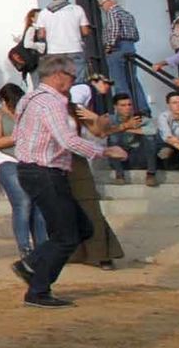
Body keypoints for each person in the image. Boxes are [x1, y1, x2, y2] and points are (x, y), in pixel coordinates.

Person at [10, 54, 109, 308]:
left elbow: (19, 133)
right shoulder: (51, 103)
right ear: (57, 75)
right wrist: (104, 150)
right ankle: (38, 289)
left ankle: (32, 266)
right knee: (66, 235)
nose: (73, 81)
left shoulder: (29, 97)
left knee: (80, 229)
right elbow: (67, 141)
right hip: (44, 170)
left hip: (36, 169)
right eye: (71, 76)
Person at [0, 83, 46, 261]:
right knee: (23, 202)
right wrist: (21, 135)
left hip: (30, 160)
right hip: (8, 160)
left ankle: (42, 246)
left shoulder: (27, 114)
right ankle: (25, 247)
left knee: (38, 204)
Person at [97, 0, 147, 114]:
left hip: (118, 48)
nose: (102, 8)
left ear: (108, 2)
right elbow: (136, 35)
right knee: (133, 80)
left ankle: (126, 111)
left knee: (119, 81)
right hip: (130, 47)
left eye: (101, 4)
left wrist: (109, 46)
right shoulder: (127, 14)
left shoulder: (112, 12)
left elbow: (114, 29)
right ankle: (142, 108)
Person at [36, 0, 92, 83]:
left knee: (58, 80)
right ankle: (75, 97)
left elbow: (41, 34)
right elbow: (85, 31)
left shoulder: (44, 12)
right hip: (75, 48)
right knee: (77, 80)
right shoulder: (77, 9)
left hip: (54, 50)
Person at [102, 94, 159, 186]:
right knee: (112, 138)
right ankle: (119, 175)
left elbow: (153, 130)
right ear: (116, 107)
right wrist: (124, 126)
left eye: (129, 105)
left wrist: (129, 128)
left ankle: (151, 174)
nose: (127, 108)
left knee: (149, 137)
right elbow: (103, 133)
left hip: (137, 156)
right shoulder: (110, 119)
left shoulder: (139, 118)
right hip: (119, 158)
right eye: (123, 105)